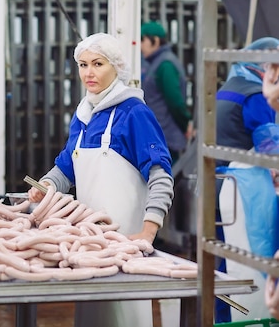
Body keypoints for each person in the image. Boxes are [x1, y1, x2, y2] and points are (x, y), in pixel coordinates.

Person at [28, 32, 174, 327]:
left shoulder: (135, 113)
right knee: (93, 315)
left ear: (116, 67)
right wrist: (47, 185)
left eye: (98, 64)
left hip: (125, 243)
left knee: (125, 316)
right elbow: (67, 167)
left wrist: (148, 231)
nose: (89, 73)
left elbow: (161, 175)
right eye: (83, 65)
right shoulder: (83, 116)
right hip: (89, 245)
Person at [214, 36, 279, 323]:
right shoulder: (255, 94)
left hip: (218, 188)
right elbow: (270, 147)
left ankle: (223, 319)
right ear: (266, 66)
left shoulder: (226, 89)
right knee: (249, 264)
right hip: (244, 195)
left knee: (221, 265)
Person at [140, 21, 194, 163]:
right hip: (159, 135)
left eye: (142, 40)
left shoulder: (165, 65)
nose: (140, 46)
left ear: (155, 41)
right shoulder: (156, 63)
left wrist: (185, 124)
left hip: (165, 137)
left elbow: (174, 101)